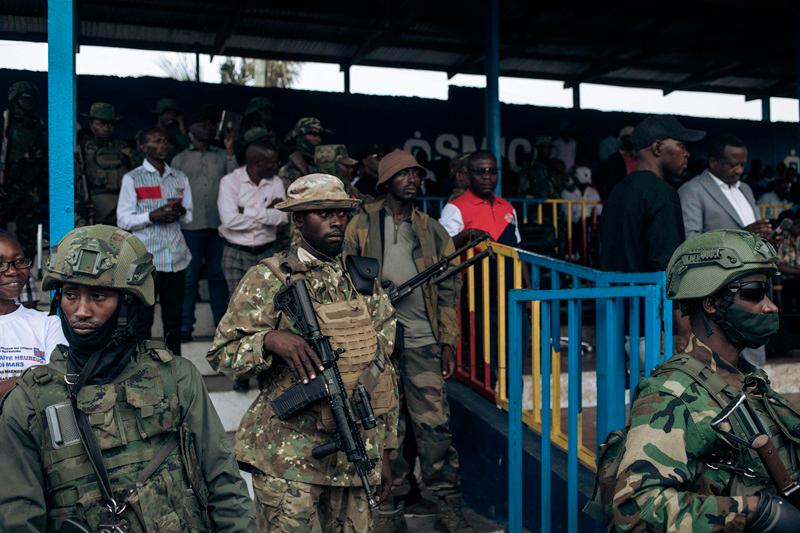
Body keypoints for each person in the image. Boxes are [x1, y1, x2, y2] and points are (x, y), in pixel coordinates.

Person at [0, 225, 256, 531]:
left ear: (128, 304)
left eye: (98, 295)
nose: (81, 311)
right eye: (70, 295)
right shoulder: (30, 400)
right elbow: (19, 517)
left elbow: (224, 486)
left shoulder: (176, 378)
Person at [207, 174, 399, 531]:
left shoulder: (363, 280)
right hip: (288, 458)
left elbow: (382, 369)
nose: (337, 220)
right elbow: (223, 353)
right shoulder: (269, 278)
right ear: (298, 220)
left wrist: (385, 451)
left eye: (341, 212)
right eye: (323, 212)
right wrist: (269, 341)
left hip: (353, 454)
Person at [612, 229, 800, 531]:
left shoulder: (747, 380)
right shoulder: (671, 393)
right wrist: (755, 512)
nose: (770, 306)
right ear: (711, 303)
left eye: (769, 293)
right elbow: (634, 509)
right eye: (754, 293)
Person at [344, 150, 472, 533]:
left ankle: (448, 502)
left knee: (434, 427)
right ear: (385, 182)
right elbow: (344, 274)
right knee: (388, 427)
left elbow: (449, 287)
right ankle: (391, 504)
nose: (412, 179)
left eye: (416, 173)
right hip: (375, 343)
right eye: (403, 174)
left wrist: (447, 340)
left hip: (421, 340)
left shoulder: (432, 228)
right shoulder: (360, 225)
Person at [217, 139, 287, 391]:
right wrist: (265, 215)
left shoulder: (276, 182)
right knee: (238, 312)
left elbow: (283, 217)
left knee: (268, 312)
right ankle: (240, 373)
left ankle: (263, 370)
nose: (276, 166)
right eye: (272, 163)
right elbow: (228, 220)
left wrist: (246, 211)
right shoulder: (230, 182)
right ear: (257, 164)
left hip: (267, 253)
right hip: (235, 253)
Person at [117, 127, 193, 355]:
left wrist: (179, 213)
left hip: (176, 259)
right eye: (157, 140)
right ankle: (142, 366)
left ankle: (175, 365)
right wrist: (152, 216)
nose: (164, 144)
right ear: (143, 146)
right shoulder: (132, 178)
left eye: (166, 141)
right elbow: (123, 219)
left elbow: (189, 218)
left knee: (173, 318)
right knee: (142, 319)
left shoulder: (180, 178)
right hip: (146, 261)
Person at [599, 115, 705, 274]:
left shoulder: (618, 190)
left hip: (618, 296)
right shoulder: (662, 193)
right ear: (657, 147)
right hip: (650, 296)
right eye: (681, 145)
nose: (687, 154)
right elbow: (666, 264)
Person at [170, 122, 237, 342]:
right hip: (190, 226)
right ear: (190, 134)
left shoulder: (220, 155)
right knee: (189, 277)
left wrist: (229, 151)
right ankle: (185, 327)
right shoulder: (180, 159)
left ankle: (221, 327)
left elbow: (235, 177)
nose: (205, 134)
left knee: (217, 276)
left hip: (218, 226)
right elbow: (173, 191)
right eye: (199, 131)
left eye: (207, 131)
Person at [0, 231, 66, 397]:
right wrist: (33, 380)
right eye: (0, 263)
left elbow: (59, 381)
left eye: (19, 261)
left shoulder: (48, 323)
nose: (13, 271)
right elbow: (44, 383)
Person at [679, 134, 771, 240]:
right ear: (713, 163)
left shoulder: (745, 188)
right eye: (733, 165)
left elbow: (757, 232)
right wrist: (740, 236)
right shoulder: (692, 191)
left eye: (742, 165)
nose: (739, 171)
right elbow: (690, 241)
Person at [0, 81, 47, 258]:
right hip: (6, 186)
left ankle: (25, 277)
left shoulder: (38, 126)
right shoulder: (5, 123)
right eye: (23, 99)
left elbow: (44, 160)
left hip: (29, 187)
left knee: (27, 239)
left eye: (30, 100)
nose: (27, 104)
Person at [439, 150, 521, 248]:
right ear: (469, 175)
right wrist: (468, 234)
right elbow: (443, 249)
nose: (487, 176)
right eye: (480, 172)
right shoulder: (454, 208)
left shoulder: (507, 207)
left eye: (492, 171)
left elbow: (517, 247)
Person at [78, 102, 136, 225]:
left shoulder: (125, 150)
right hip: (95, 209)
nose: (106, 128)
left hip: (123, 207)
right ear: (91, 125)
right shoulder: (83, 151)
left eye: (110, 124)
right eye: (100, 123)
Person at [278, 117, 329, 185]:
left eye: (319, 135)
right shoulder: (289, 169)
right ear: (300, 136)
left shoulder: (319, 163)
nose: (318, 139)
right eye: (313, 134)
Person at [595, 125, 636, 198]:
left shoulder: (638, 158)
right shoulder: (612, 161)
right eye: (628, 137)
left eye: (633, 137)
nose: (631, 140)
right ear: (622, 139)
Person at [153, 97, 189, 162]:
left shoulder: (174, 135)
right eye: (168, 113)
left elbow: (187, 149)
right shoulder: (149, 133)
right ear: (160, 114)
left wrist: (181, 125)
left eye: (174, 114)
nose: (172, 117)